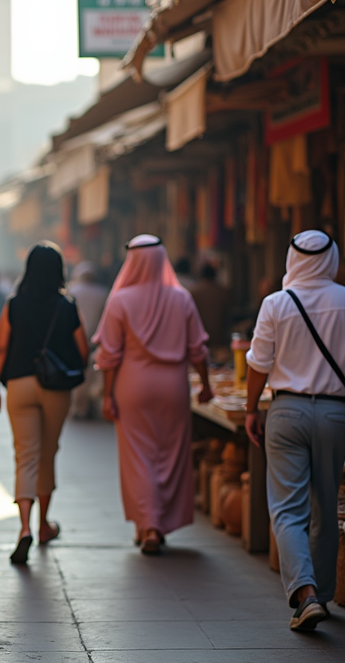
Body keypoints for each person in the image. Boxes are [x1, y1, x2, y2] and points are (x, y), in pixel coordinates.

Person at [244, 230, 345, 631]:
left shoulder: (275, 304)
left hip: (286, 411)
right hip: (336, 414)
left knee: (287, 508)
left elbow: (258, 363)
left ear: (292, 259)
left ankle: (303, 594)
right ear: (331, 259)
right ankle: (318, 594)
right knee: (325, 503)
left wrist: (251, 408)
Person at [94, 235, 214, 555]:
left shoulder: (119, 301)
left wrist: (107, 395)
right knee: (170, 454)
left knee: (138, 456)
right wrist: (205, 385)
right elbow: (197, 351)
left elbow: (108, 355)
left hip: (131, 386)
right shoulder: (182, 298)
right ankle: (157, 522)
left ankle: (147, 524)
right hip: (173, 386)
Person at [0, 243, 89, 565]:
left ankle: (23, 529)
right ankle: (44, 524)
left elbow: (0, 347)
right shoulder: (67, 305)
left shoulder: (13, 305)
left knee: (25, 456)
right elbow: (83, 350)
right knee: (48, 453)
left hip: (18, 384)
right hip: (55, 387)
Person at [67, 262, 109, 420]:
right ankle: (89, 406)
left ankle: (77, 406)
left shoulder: (71, 290)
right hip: (95, 339)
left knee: (76, 373)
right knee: (92, 374)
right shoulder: (103, 292)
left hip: (74, 339)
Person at [190, 263, 232, 349]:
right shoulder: (223, 293)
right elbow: (228, 318)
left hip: (199, 341)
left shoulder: (193, 293)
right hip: (220, 341)